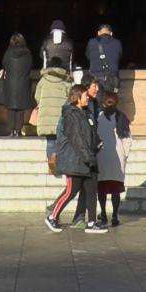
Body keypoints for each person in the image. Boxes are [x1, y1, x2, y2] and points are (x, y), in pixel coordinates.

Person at [46, 84, 107, 234]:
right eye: (85, 95)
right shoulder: (71, 115)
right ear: (77, 97)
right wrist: (88, 157)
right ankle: (52, 216)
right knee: (71, 191)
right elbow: (77, 139)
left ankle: (92, 222)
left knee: (92, 190)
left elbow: (91, 132)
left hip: (88, 158)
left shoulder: (86, 113)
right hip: (75, 159)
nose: (88, 98)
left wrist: (98, 143)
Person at [96, 91, 132, 226]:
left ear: (103, 103)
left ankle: (103, 213)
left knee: (102, 188)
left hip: (101, 156)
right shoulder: (121, 117)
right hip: (117, 157)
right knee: (115, 189)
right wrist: (124, 154)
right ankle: (115, 216)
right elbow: (128, 139)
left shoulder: (98, 117)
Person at [0, 33, 35, 136]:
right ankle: (18, 130)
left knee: (11, 109)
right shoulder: (27, 54)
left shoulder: (8, 53)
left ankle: (11, 130)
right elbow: (30, 66)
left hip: (10, 84)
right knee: (20, 109)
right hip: (23, 83)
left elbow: (4, 64)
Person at [33, 55, 72, 140]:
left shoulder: (43, 80)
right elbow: (70, 97)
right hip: (60, 116)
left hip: (46, 117)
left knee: (50, 144)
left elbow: (37, 96)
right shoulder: (65, 80)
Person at [85, 24, 125, 94]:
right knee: (110, 102)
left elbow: (88, 56)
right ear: (111, 33)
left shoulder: (92, 42)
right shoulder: (117, 43)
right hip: (112, 79)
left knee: (95, 102)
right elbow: (119, 57)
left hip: (95, 78)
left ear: (98, 33)